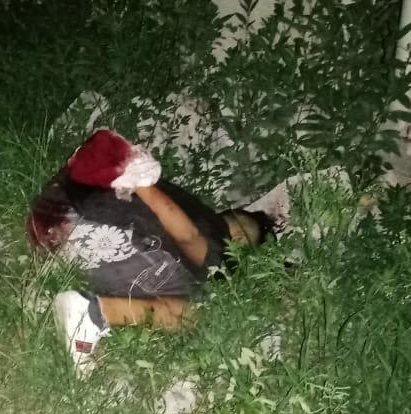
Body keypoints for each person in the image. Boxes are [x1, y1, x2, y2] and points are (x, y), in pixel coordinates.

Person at [27, 129, 274, 376]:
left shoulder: (192, 206)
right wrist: (139, 179)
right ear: (239, 239)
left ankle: (50, 297)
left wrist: (132, 173)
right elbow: (188, 235)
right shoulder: (216, 234)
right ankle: (91, 314)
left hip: (51, 220)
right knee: (192, 313)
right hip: (99, 229)